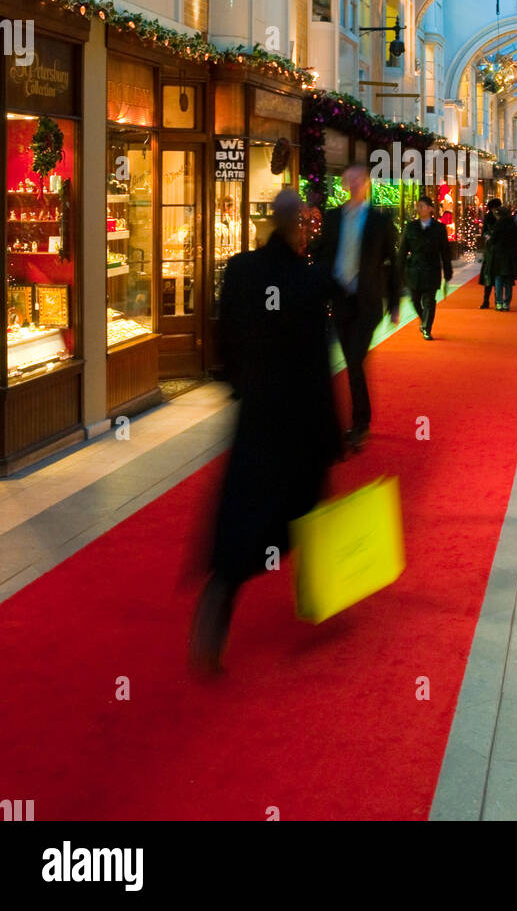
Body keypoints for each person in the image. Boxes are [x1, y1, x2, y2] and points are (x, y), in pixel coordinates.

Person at [189, 189, 341, 674]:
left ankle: (218, 605)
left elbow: (223, 335)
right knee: (309, 507)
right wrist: (331, 433)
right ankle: (317, 593)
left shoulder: (241, 271)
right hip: (300, 421)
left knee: (244, 517)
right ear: (299, 226)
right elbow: (319, 363)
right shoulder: (308, 280)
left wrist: (239, 386)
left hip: (257, 416)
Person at [313, 165, 399, 449]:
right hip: (340, 297)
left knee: (353, 358)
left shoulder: (379, 220)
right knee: (351, 361)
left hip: (367, 301)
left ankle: (360, 423)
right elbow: (323, 255)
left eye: (358, 180)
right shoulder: (333, 218)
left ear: (366, 184)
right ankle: (350, 422)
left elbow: (393, 261)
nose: (352, 184)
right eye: (348, 180)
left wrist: (395, 301)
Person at [397, 195, 453, 340]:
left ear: (430, 209)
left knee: (429, 300)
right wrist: (398, 270)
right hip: (414, 269)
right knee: (414, 299)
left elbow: (445, 252)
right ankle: (424, 320)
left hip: (431, 269)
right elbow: (403, 250)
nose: (419, 209)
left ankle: (427, 328)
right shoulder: (411, 227)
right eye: (418, 206)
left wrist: (447, 273)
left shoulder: (439, 228)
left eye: (422, 206)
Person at [490, 204, 517, 310]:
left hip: (499, 254)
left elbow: (493, 240)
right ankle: (507, 302)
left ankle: (498, 302)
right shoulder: (513, 224)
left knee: (498, 279)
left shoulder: (498, 225)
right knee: (508, 280)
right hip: (510, 255)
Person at [478, 197, 502, 309]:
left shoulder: (503, 218)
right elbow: (484, 231)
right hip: (490, 250)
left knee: (498, 276)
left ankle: (498, 300)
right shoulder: (488, 218)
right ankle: (486, 300)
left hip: (499, 250)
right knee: (488, 275)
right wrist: (487, 235)